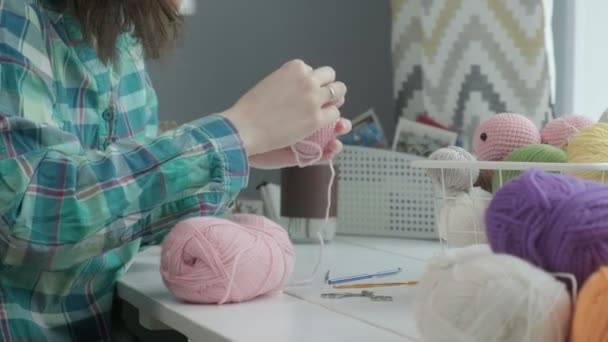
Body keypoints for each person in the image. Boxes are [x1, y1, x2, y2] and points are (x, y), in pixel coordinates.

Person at [0, 0, 351, 340]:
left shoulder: (119, 39)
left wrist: (245, 148)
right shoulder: (11, 15)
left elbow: (122, 220)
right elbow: (25, 215)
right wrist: (235, 132)